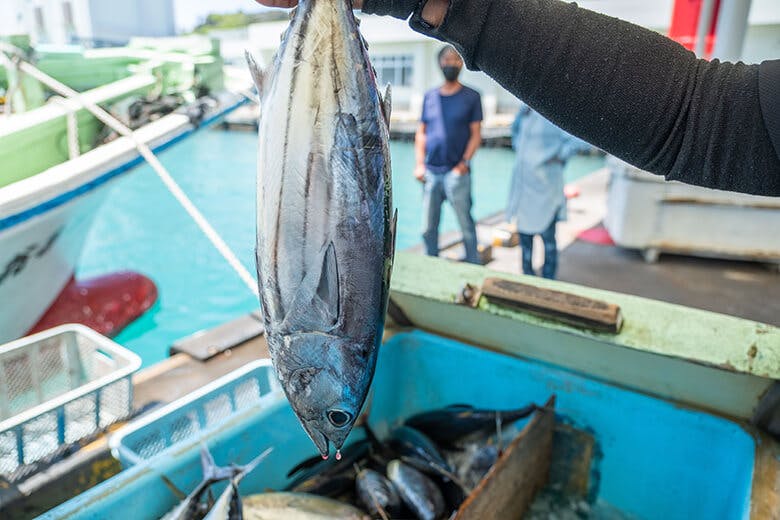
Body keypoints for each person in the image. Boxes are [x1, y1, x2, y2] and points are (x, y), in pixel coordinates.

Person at [253, 0, 779, 198]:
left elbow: (694, 118)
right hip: (433, 174)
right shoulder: (436, 97)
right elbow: (701, 117)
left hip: (460, 177)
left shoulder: (469, 103)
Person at [507, 104, 593, 279]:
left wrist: (559, 155)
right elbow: (514, 132)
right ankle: (527, 279)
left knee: (548, 242)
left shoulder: (555, 111)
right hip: (524, 190)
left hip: (546, 189)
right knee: (525, 243)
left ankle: (549, 281)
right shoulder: (525, 110)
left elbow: (579, 139)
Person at [415, 45, 483, 264]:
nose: (450, 63)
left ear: (462, 63)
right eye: (446, 59)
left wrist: (463, 164)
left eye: (455, 59)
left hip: (458, 174)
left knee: (466, 225)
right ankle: (431, 266)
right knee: (428, 228)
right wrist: (419, 164)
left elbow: (476, 135)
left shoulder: (472, 97)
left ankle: (473, 265)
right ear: (439, 63)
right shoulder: (430, 97)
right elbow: (422, 133)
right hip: (431, 173)